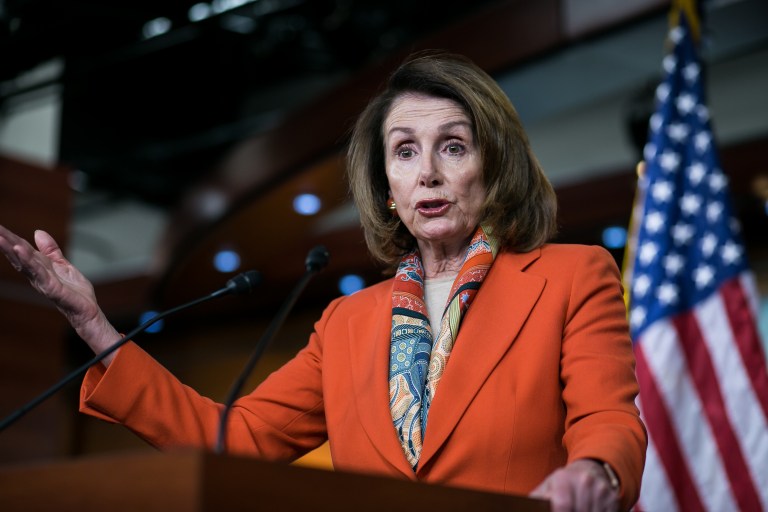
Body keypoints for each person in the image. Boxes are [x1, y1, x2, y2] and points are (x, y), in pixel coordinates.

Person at [0, 52, 646, 511]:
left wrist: (592, 472)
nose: (427, 172)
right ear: (387, 188)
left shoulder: (570, 274)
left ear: (493, 166)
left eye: (453, 145)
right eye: (404, 150)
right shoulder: (346, 324)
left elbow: (607, 415)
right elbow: (237, 440)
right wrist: (93, 324)